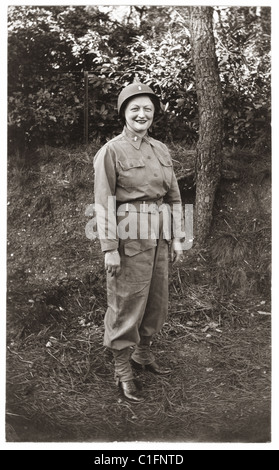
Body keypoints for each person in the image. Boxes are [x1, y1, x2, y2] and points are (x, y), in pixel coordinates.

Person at [93, 82, 184, 402]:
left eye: (147, 109)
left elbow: (173, 196)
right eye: (135, 109)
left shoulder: (161, 149)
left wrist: (176, 237)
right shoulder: (111, 151)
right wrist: (109, 248)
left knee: (156, 302)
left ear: (154, 113)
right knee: (126, 304)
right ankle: (122, 369)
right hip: (129, 236)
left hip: (158, 235)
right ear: (124, 113)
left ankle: (142, 355)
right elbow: (103, 203)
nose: (142, 114)